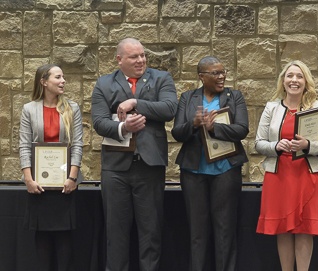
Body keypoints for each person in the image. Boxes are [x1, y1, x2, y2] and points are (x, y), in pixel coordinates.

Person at [91, 38, 178, 271]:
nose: (140, 60)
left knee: (151, 232)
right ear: (119, 59)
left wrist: (135, 102)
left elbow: (170, 109)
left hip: (149, 166)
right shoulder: (104, 84)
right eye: (134, 57)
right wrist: (124, 128)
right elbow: (99, 122)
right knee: (116, 233)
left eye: (142, 55)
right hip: (115, 169)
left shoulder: (161, 78)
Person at [255, 60, 318, 271]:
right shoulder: (271, 108)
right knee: (282, 228)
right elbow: (258, 143)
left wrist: (308, 145)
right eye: (290, 76)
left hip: (306, 176)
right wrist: (276, 145)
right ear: (283, 81)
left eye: (299, 76)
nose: (294, 80)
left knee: (304, 228)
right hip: (278, 175)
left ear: (306, 82)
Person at [171, 56, 249, 271]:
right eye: (215, 73)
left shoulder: (234, 97)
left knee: (224, 230)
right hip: (193, 172)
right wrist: (194, 124)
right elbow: (178, 132)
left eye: (223, 72)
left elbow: (242, 129)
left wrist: (215, 129)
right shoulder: (188, 98)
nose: (221, 76)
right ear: (201, 77)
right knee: (197, 231)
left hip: (226, 171)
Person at [19, 64, 84, 271]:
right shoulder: (29, 109)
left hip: (65, 183)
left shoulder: (72, 108)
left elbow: (78, 145)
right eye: (58, 77)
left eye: (63, 77)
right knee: (43, 237)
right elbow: (24, 145)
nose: (63, 81)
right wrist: (28, 179)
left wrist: (72, 178)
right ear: (44, 81)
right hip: (38, 184)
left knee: (65, 237)